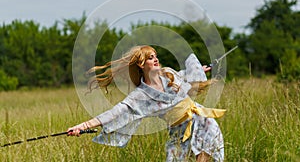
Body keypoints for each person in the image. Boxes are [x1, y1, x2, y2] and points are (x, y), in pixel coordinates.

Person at [67, 45, 226, 162]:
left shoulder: (169, 74)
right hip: (178, 132)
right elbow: (115, 112)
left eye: (155, 56)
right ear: (141, 64)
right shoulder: (140, 96)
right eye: (150, 57)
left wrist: (199, 70)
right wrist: (83, 126)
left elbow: (184, 76)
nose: (156, 59)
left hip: (202, 121)